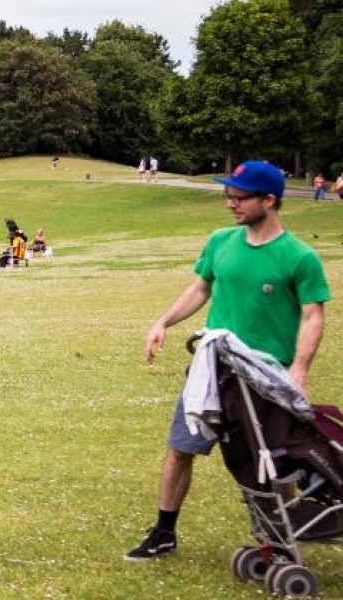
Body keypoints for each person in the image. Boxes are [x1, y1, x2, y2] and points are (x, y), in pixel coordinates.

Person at [128, 160, 331, 560]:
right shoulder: (221, 241)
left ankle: (278, 543)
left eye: (239, 198)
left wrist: (299, 371)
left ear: (269, 200)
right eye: (228, 196)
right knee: (180, 448)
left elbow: (313, 316)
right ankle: (164, 532)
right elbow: (200, 288)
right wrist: (163, 321)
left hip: (265, 376)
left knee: (272, 459)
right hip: (212, 370)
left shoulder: (299, 257)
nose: (230, 205)